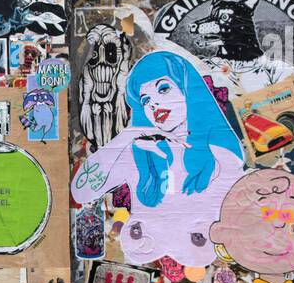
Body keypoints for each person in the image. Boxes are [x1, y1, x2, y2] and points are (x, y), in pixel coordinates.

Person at [71, 51, 244, 268]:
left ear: (188, 90)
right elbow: (81, 190)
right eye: (145, 100)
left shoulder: (220, 156)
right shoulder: (139, 152)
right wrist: (127, 135)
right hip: (142, 255)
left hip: (198, 261)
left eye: (163, 89)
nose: (153, 104)